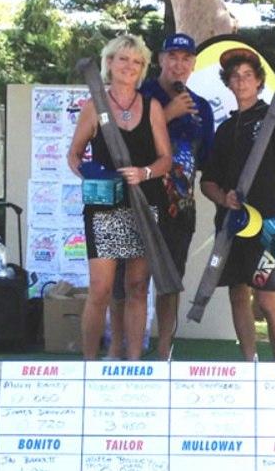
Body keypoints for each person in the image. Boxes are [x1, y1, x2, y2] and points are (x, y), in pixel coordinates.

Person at [108, 33, 214, 360]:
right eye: (173, 57)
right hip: (134, 201)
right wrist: (166, 114)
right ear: (160, 60)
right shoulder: (141, 94)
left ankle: (165, 348)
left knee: (169, 282)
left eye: (186, 59)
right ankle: (117, 348)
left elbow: (206, 162)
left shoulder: (202, 108)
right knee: (124, 280)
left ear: (194, 65)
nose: (179, 65)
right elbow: (123, 142)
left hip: (178, 208)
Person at [67, 34, 172, 360]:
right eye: (123, 59)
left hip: (144, 205)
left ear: (142, 69)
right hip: (104, 209)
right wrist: (96, 179)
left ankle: (133, 363)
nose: (129, 66)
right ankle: (89, 363)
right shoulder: (92, 107)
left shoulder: (152, 106)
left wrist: (144, 173)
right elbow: (74, 156)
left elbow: (165, 159)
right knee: (100, 289)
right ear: (109, 63)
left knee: (138, 287)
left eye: (137, 61)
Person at [200, 47, 275, 362]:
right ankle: (249, 362)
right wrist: (224, 198)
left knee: (266, 297)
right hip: (232, 227)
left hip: (268, 229)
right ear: (229, 84)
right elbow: (208, 183)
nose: (242, 81)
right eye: (236, 76)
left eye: (248, 75)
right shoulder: (224, 130)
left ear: (259, 81)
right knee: (237, 293)